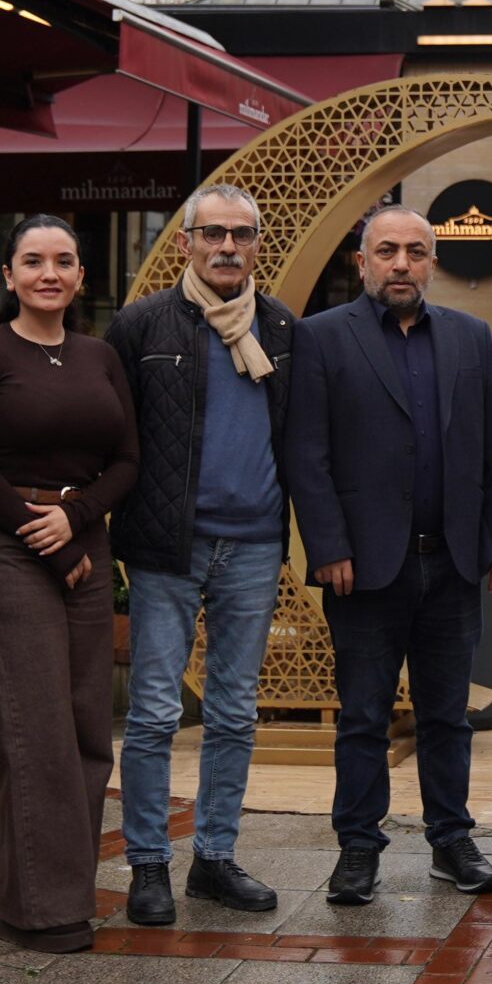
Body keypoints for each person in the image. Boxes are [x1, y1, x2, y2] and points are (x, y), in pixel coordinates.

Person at [286, 205, 492, 900]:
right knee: (363, 717)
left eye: (415, 251)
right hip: (362, 568)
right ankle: (358, 848)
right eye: (386, 250)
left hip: (453, 562)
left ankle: (451, 840)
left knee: (448, 714)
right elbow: (307, 453)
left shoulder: (471, 337)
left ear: (433, 263)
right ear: (362, 261)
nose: (401, 263)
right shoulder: (321, 336)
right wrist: (328, 546)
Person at [106, 184, 299, 927]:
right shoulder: (141, 324)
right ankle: (148, 863)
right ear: (185, 242)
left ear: (257, 245)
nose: (226, 246)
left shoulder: (280, 327)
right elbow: (113, 433)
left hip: (254, 544)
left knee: (234, 712)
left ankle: (215, 857)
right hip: (166, 545)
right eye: (212, 233)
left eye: (241, 234)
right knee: (155, 712)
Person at [0, 215, 140, 953]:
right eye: (33, 261)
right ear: (9, 275)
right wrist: (51, 542)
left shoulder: (100, 355)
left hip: (82, 538)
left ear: (82, 276)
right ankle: (48, 910)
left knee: (88, 726)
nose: (48, 273)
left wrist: (78, 521)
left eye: (63, 260)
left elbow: (128, 458)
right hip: (5, 545)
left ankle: (26, 896)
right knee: (39, 729)